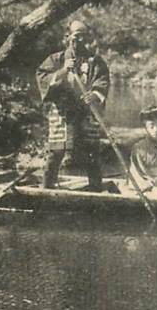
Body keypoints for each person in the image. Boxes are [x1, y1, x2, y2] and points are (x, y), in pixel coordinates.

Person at [35, 20, 110, 190]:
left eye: (84, 37)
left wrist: (95, 94)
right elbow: (43, 77)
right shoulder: (56, 59)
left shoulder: (95, 62)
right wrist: (62, 71)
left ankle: (96, 189)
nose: (80, 41)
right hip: (63, 111)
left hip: (87, 110)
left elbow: (102, 80)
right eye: (76, 36)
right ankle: (47, 187)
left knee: (92, 152)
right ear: (67, 37)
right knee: (56, 150)